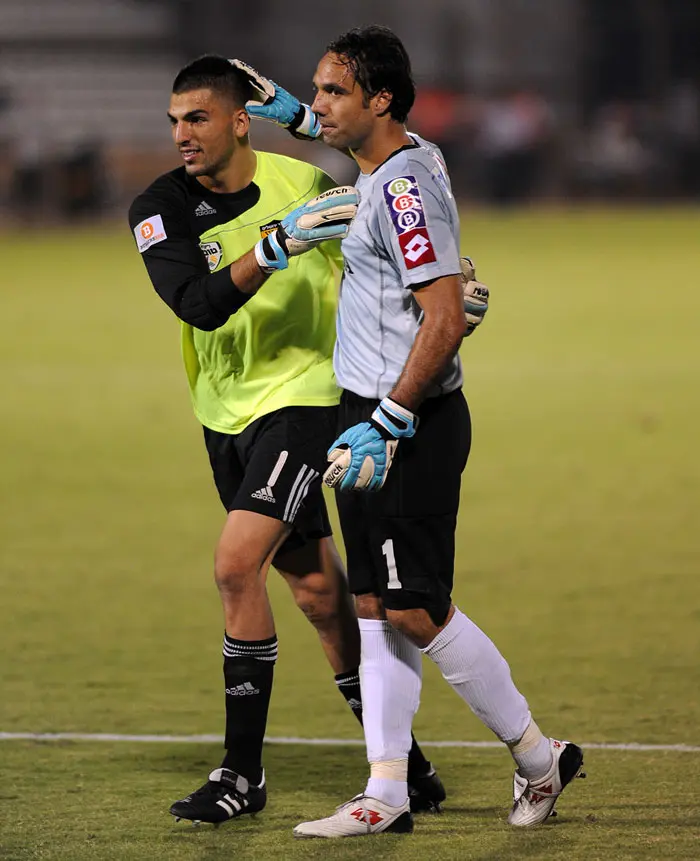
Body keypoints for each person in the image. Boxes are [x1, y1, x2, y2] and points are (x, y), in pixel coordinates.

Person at [235, 26, 584, 838]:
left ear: (380, 99)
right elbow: (396, 205)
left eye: (330, 92)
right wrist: (297, 118)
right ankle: (385, 790)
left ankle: (540, 755)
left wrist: (388, 422)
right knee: (370, 603)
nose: (315, 102)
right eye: (315, 91)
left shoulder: (399, 191)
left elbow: (445, 313)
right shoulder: (402, 159)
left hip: (404, 424)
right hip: (369, 414)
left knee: (417, 607)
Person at [128, 54, 445, 827]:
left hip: (307, 402)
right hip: (225, 413)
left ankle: (241, 773)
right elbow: (198, 305)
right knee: (314, 590)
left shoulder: (304, 182)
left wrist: (447, 286)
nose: (182, 135)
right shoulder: (159, 207)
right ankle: (404, 764)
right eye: (174, 121)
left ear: (241, 118)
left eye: (198, 117)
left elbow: (394, 197)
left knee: (237, 566)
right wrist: (275, 247)